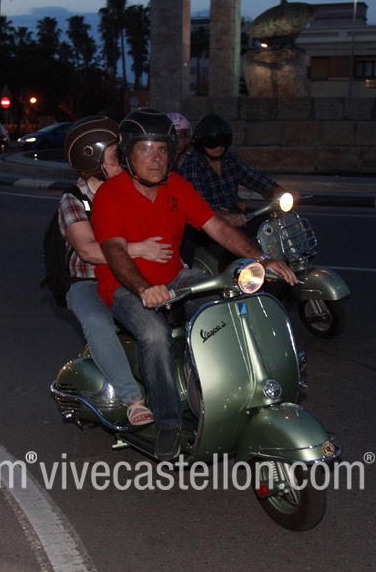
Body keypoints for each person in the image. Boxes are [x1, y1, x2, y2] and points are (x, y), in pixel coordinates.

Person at [91, 109, 298, 461]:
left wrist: (262, 258)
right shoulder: (110, 195)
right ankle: (168, 422)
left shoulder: (177, 187)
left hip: (175, 276)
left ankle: (230, 388)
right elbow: (114, 251)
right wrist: (143, 288)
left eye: (162, 149)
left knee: (229, 303)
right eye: (146, 150)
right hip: (125, 286)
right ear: (127, 154)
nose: (156, 159)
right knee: (154, 334)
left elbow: (216, 227)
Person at [58, 116, 174, 426]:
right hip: (87, 280)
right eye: (115, 155)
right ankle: (132, 398)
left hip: (131, 274)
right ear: (93, 162)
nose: (123, 159)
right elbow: (87, 250)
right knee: (97, 321)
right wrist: (138, 249)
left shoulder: (131, 189)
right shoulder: (74, 200)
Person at [179, 112, 293, 263]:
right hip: (206, 226)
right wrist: (224, 215)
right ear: (201, 141)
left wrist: (277, 190)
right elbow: (199, 203)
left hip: (235, 217)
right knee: (233, 259)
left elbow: (252, 177)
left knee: (270, 223)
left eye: (223, 141)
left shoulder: (230, 159)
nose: (218, 146)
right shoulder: (193, 165)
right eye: (212, 142)